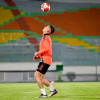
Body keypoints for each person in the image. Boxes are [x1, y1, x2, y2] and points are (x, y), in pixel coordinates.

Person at [33, 25, 58, 98]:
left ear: (48, 31)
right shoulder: (46, 37)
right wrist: (38, 57)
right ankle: (53, 90)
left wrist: (37, 53)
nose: (44, 26)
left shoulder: (45, 37)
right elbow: (47, 50)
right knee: (40, 77)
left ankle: (44, 94)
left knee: (37, 76)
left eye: (47, 26)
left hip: (45, 60)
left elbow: (46, 48)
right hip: (46, 59)